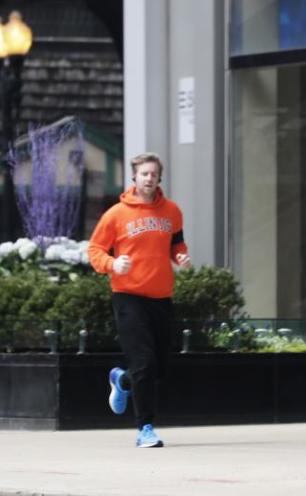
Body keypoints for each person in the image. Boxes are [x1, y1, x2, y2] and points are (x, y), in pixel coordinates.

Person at [88, 152, 192, 448]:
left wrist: (180, 256)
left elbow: (176, 243)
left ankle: (122, 380)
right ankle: (145, 428)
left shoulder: (171, 212)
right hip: (128, 297)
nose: (149, 178)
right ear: (134, 177)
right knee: (144, 364)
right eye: (143, 174)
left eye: (153, 174)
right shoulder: (116, 214)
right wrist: (112, 265)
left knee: (158, 368)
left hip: (161, 297)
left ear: (160, 178)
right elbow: (95, 249)